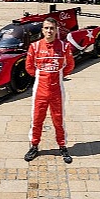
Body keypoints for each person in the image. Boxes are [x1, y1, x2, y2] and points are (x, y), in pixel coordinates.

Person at [24, 17, 75, 164]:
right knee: (36, 119)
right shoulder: (34, 47)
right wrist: (43, 77)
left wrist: (57, 76)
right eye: (46, 28)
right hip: (40, 91)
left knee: (58, 120)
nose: (49, 31)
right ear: (42, 30)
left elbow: (70, 66)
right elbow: (29, 67)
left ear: (56, 30)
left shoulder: (64, 46)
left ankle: (62, 146)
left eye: (52, 28)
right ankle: (34, 145)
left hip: (57, 91)